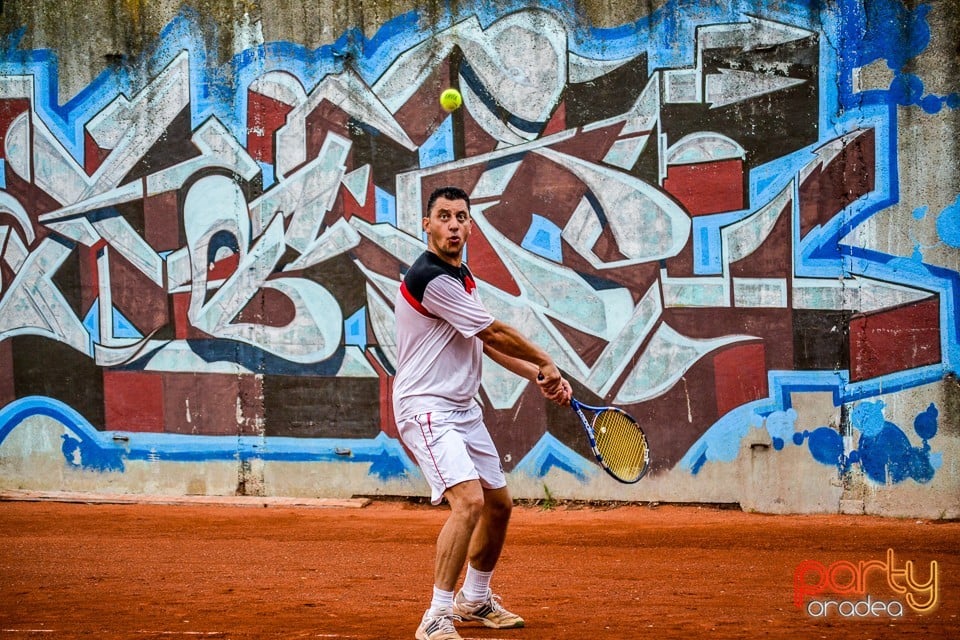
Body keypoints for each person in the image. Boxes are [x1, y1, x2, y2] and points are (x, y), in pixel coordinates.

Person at [393, 185, 572, 640]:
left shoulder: (462, 277)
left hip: (461, 408)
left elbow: (483, 343)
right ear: (427, 224)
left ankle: (474, 600)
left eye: (461, 217)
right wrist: (547, 361)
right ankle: (435, 616)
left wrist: (539, 375)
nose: (454, 225)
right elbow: (494, 331)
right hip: (426, 408)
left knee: (498, 505)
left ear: (470, 225)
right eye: (444, 216)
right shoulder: (430, 277)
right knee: (468, 501)